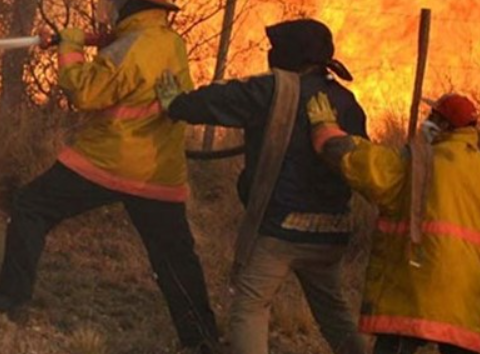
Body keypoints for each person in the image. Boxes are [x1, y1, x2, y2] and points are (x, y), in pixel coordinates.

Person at [0, 0, 220, 353]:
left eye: (114, 3)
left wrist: (70, 49)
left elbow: (86, 93)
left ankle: (11, 298)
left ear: (129, 4)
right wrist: (88, 40)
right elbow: (129, 57)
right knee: (175, 257)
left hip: (108, 161)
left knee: (30, 207)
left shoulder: (128, 48)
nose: (109, 11)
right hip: (159, 170)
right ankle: (202, 340)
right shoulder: (168, 41)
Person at [155, 19, 368, 354]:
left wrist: (176, 103)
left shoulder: (272, 89)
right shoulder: (346, 100)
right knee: (333, 312)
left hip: (283, 230)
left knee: (250, 306)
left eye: (275, 48)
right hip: (332, 229)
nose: (271, 54)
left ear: (291, 53)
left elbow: (218, 100)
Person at [306, 91, 480, 354]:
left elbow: (367, 166)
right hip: (468, 302)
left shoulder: (419, 162)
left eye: (432, 116)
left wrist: (327, 132)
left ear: (444, 125)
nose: (426, 121)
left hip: (415, 289)